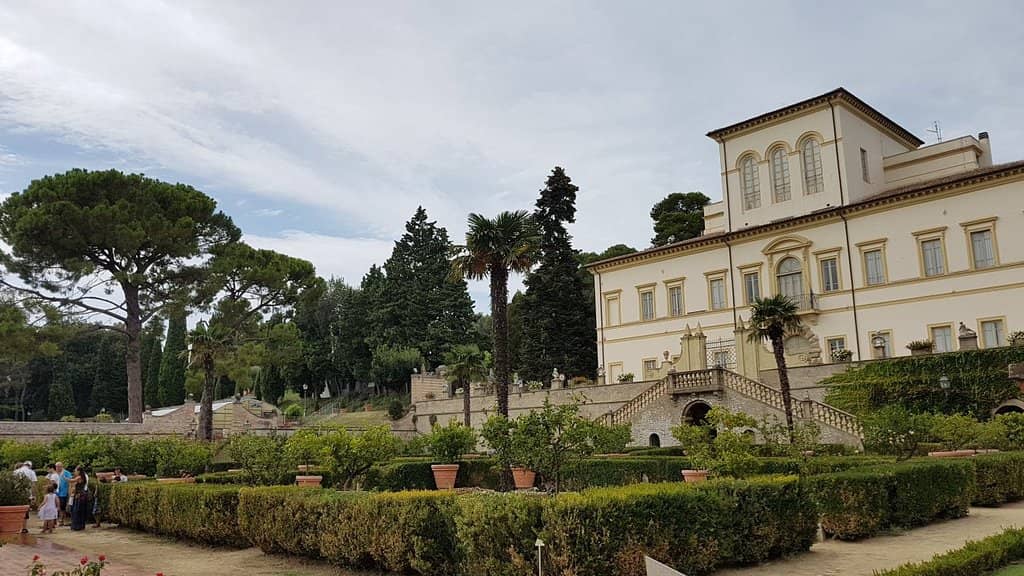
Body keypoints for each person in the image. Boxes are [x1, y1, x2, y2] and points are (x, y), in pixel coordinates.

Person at [13, 462, 37, 534]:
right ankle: (24, 527)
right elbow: (33, 485)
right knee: (25, 511)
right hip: (27, 494)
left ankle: (16, 527)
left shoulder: (15, 472)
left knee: (17, 510)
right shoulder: (31, 472)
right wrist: (34, 495)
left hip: (17, 494)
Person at [69, 466, 89, 531]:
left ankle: (77, 526)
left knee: (77, 511)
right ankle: (81, 525)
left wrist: (65, 478)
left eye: (75, 470)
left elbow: (72, 481)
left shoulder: (80, 477)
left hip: (79, 495)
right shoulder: (83, 476)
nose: (75, 472)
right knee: (80, 511)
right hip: (81, 495)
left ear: (79, 471)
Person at [54, 462, 73, 527]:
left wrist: (69, 492)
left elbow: (70, 482)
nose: (57, 468)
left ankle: (61, 520)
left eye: (59, 466)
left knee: (62, 506)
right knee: (56, 506)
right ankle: (57, 520)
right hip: (56, 492)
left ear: (62, 466)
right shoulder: (55, 473)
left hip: (64, 492)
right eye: (56, 466)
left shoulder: (67, 473)